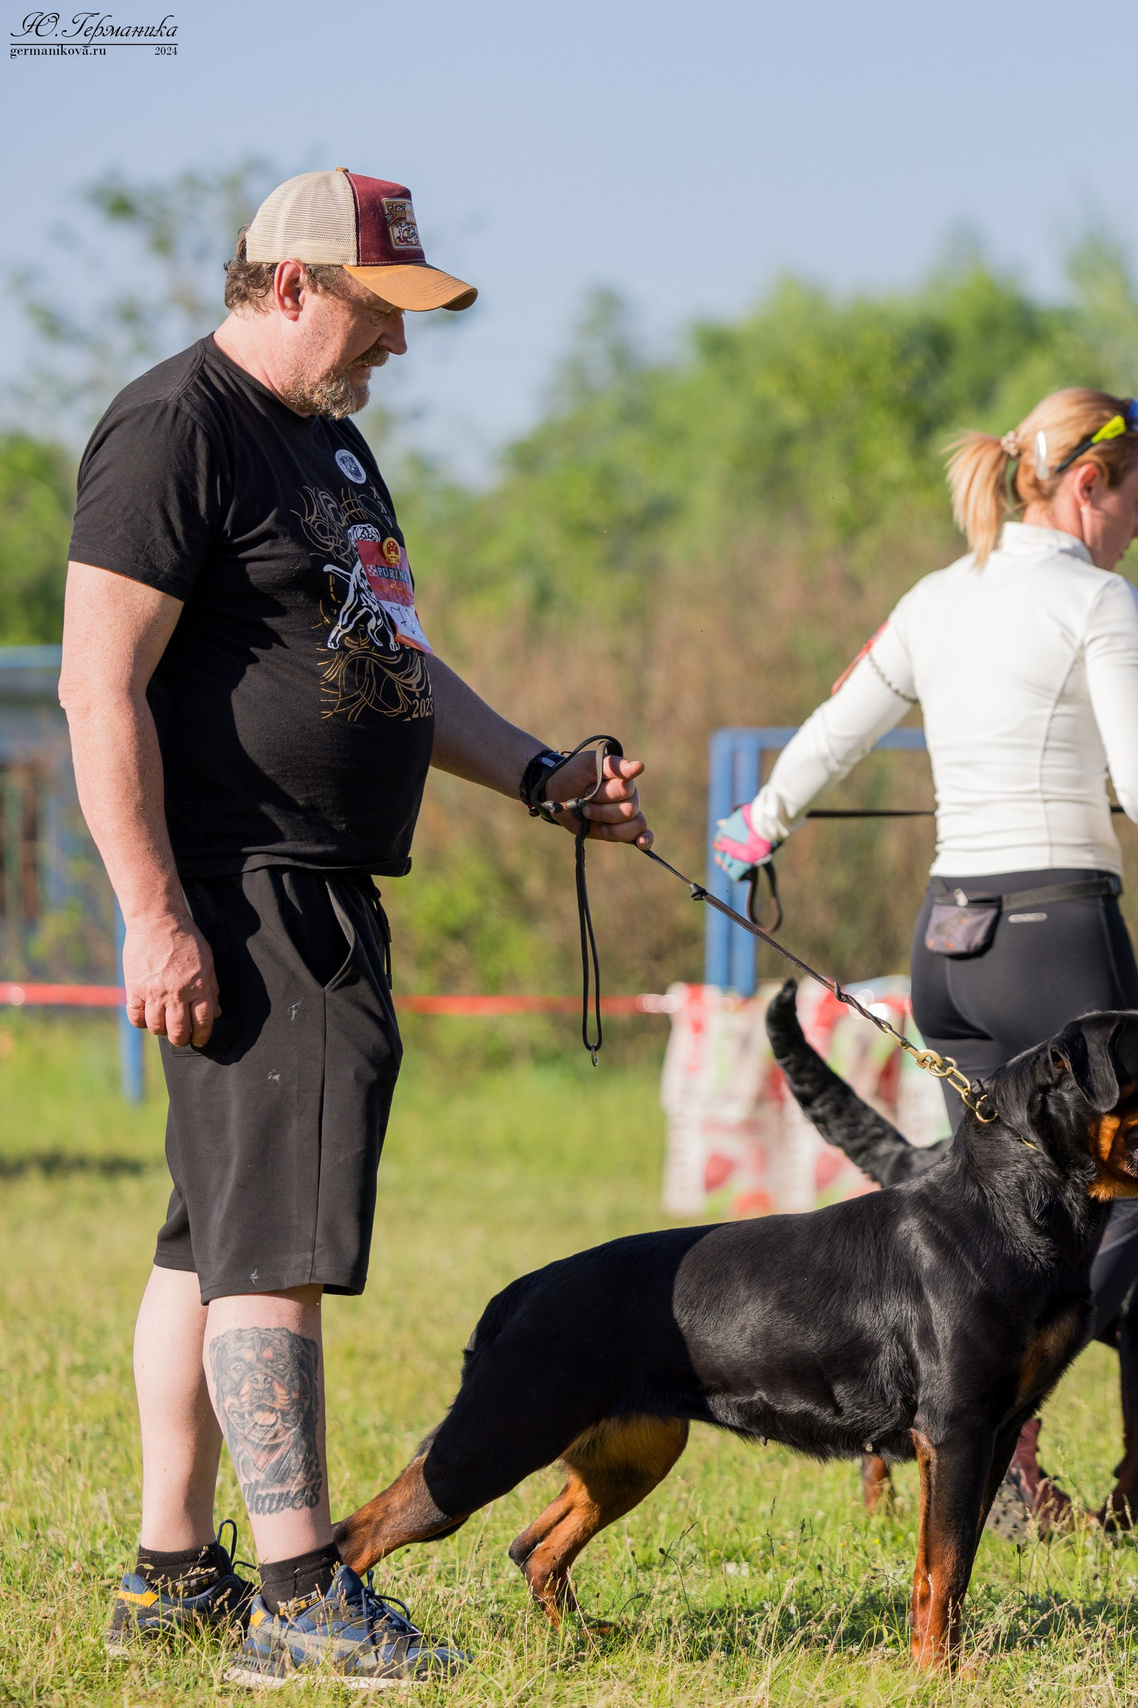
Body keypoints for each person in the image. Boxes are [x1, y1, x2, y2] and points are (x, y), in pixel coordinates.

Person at [62, 169, 651, 1686]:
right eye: (380, 315)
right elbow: (96, 684)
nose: (397, 345)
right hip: (246, 888)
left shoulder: (331, 452)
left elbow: (397, 664)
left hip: (317, 885)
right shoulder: (176, 426)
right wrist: (153, 915)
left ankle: (167, 1572)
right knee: (271, 1245)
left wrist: (537, 774)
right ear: (291, 285)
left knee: (208, 1243)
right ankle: (298, 1593)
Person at [710, 387, 1138, 1535]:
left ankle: (977, 1442)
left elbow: (840, 722)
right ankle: (1003, 1434)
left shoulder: (937, 598)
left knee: (983, 1211)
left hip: (949, 946)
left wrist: (763, 818)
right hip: (1058, 938)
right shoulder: (1098, 599)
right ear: (1089, 485)